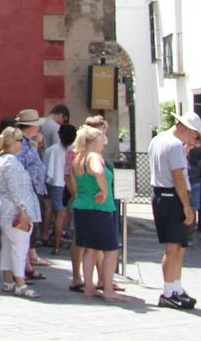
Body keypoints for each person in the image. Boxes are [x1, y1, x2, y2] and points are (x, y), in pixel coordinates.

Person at [149, 110, 201, 309]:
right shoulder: (173, 145)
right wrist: (187, 207)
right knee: (174, 247)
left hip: (161, 195)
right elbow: (178, 176)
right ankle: (169, 291)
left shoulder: (159, 140)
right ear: (186, 128)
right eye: (194, 134)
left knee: (178, 245)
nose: (194, 138)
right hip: (173, 197)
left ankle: (174, 287)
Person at [71, 126, 127, 301]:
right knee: (111, 250)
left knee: (91, 249)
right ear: (95, 141)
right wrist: (104, 190)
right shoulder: (94, 156)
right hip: (98, 208)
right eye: (103, 138)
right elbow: (98, 171)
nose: (105, 141)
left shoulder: (78, 157)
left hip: (82, 206)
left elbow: (73, 181)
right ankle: (108, 289)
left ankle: (89, 287)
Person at [0, 126, 41, 299]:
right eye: (20, 140)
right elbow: (15, 188)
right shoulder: (11, 161)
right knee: (20, 246)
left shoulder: (1, 158)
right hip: (14, 210)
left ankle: (8, 280)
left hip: (4, 208)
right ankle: (20, 283)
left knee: (7, 244)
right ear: (15, 142)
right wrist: (23, 210)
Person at [11, 109, 50, 275]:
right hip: (27, 189)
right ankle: (24, 267)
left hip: (32, 189)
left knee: (29, 227)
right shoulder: (22, 145)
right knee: (25, 228)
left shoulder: (27, 143)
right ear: (30, 127)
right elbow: (18, 166)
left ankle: (27, 266)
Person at [45, 123, 74, 255]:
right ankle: (63, 236)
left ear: (59, 135)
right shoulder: (75, 151)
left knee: (59, 215)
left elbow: (46, 169)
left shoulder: (52, 150)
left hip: (57, 183)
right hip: (72, 183)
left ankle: (56, 245)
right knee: (67, 212)